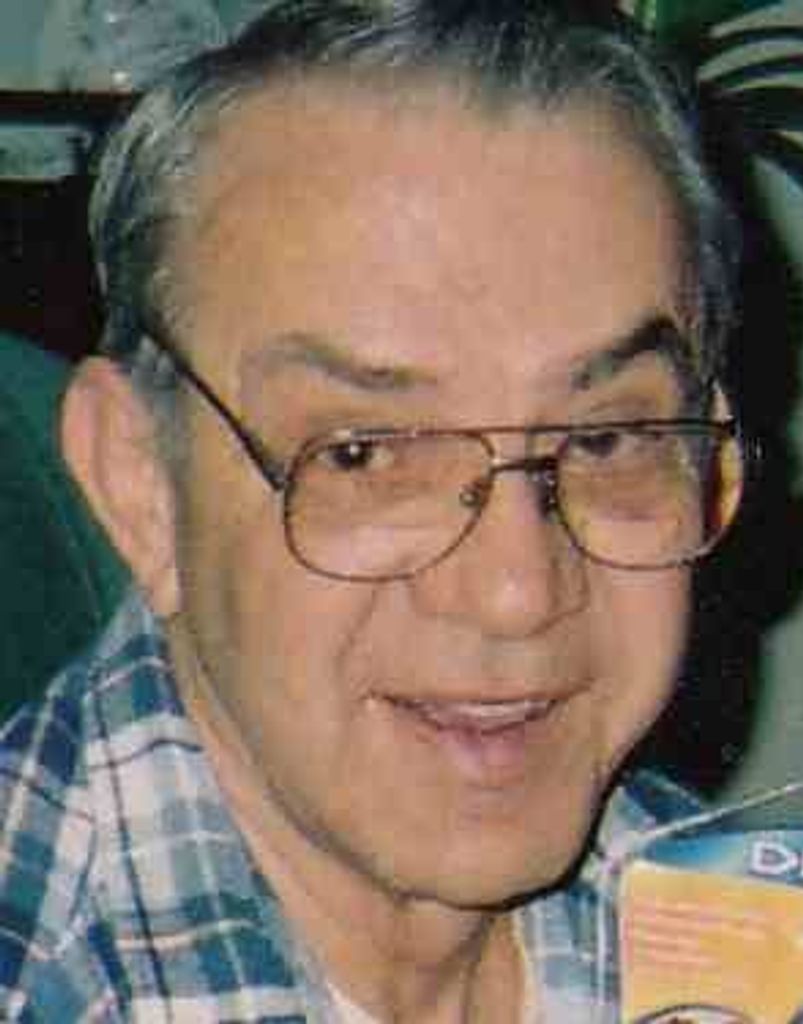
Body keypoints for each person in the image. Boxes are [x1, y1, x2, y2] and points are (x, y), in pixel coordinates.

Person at [0, 1, 748, 1019]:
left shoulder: (758, 949)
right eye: (366, 455)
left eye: (607, 440)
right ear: (139, 483)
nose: (516, 593)